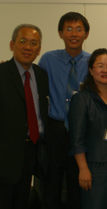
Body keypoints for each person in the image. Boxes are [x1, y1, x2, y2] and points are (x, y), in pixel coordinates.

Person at [38, 12, 90, 209]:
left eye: (79, 29)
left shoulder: (94, 62)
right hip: (55, 131)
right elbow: (35, 83)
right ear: (60, 33)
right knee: (50, 189)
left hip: (82, 133)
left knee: (78, 190)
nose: (74, 33)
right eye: (68, 29)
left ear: (86, 34)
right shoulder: (48, 60)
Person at [68, 48, 107, 209]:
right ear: (91, 70)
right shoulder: (82, 99)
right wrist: (83, 169)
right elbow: (77, 139)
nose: (105, 70)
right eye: (100, 66)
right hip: (95, 168)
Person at [0, 24, 49, 209]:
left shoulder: (42, 76)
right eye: (23, 41)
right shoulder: (2, 73)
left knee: (22, 202)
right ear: (12, 45)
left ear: (39, 49)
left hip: (32, 152)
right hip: (4, 155)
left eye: (33, 43)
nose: (28, 47)